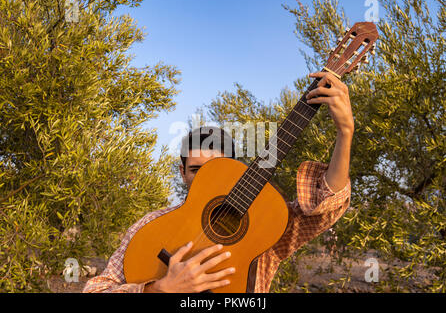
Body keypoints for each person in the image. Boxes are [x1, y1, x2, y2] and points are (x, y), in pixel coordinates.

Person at [83, 71, 353, 293]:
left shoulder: (264, 232)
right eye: (196, 169)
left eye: (215, 169)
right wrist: (160, 289)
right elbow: (95, 290)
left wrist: (345, 132)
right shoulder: (150, 226)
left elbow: (324, 208)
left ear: (234, 172)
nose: (204, 179)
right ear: (182, 171)